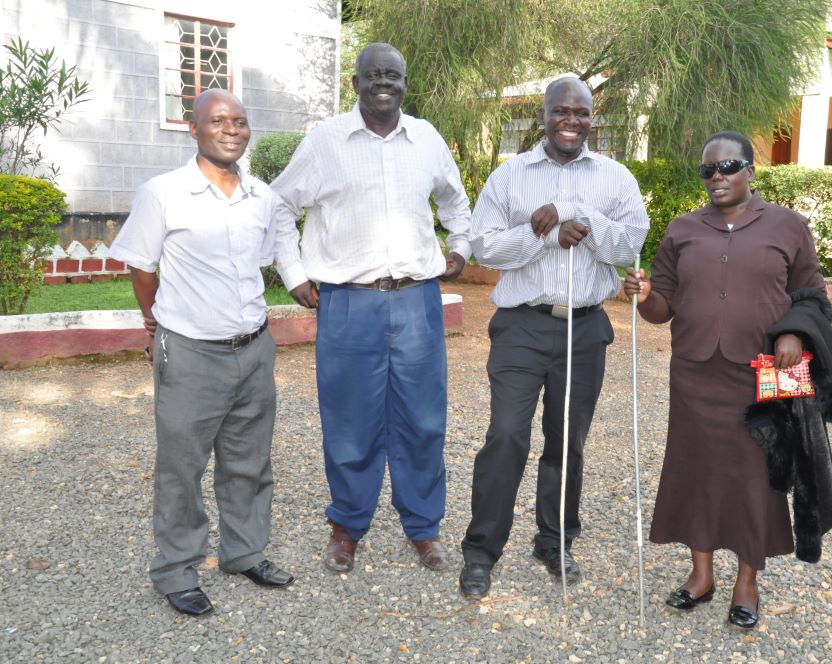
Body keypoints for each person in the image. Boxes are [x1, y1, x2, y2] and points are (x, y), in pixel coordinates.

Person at [269, 43, 471, 574]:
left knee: (423, 422)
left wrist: (461, 248)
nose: (384, 82)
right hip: (348, 305)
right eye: (373, 74)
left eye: (394, 75)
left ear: (406, 83)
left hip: (417, 302)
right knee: (350, 423)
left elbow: (456, 201)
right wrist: (293, 276)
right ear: (355, 83)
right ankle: (347, 527)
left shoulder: (425, 139)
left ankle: (423, 528)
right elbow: (279, 206)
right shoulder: (325, 142)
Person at [623, 130, 827, 629]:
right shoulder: (682, 229)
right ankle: (701, 576)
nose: (716, 176)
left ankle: (747, 583)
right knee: (696, 469)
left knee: (757, 477)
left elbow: (813, 296)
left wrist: (795, 334)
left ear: (751, 171)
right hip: (694, 370)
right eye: (707, 170)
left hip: (764, 373)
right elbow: (660, 310)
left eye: (728, 166)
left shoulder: (787, 225)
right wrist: (646, 293)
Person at [458, 77, 650, 599]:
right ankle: (481, 551)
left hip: (585, 326)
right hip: (523, 325)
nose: (572, 121)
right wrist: (539, 234)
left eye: (581, 112)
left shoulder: (615, 178)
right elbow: (482, 247)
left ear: (592, 116)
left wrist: (581, 219)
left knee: (568, 442)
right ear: (544, 115)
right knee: (506, 436)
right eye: (561, 111)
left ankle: (554, 539)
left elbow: (631, 244)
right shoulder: (510, 176)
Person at [109, 89, 293, 617]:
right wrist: (155, 324)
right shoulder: (163, 193)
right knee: (181, 469)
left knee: (249, 462)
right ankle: (176, 569)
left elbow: (255, 264)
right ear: (194, 129)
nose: (231, 129)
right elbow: (143, 270)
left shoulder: (261, 197)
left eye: (239, 121)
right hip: (190, 353)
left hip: (255, 350)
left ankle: (244, 553)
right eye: (218, 121)